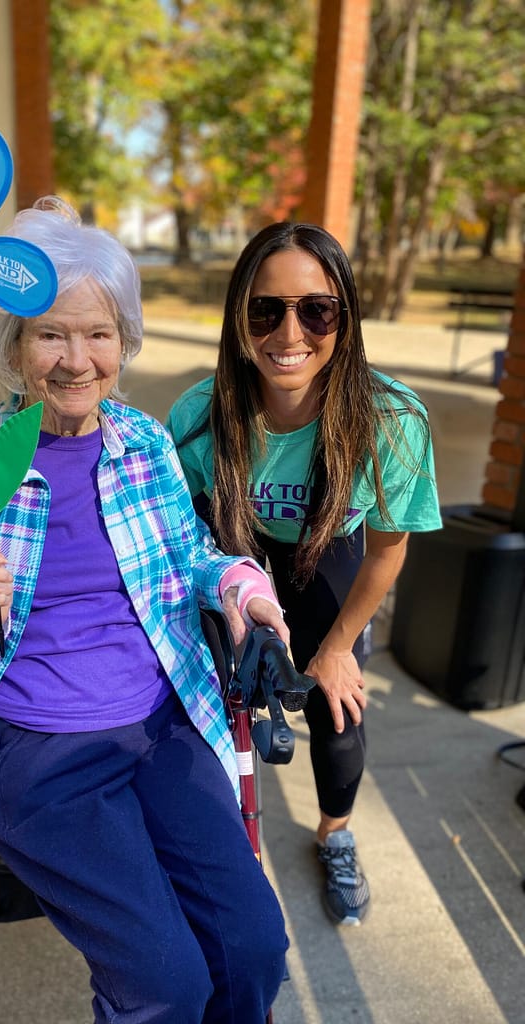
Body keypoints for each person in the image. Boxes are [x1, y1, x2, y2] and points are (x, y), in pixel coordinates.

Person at [0, 197, 289, 1023]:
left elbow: (189, 559)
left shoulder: (142, 442)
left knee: (253, 945)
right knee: (164, 984)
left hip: (161, 724)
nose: (78, 359)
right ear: (11, 346)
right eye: (50, 333)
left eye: (99, 333)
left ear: (124, 341)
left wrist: (243, 589)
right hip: (33, 753)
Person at [167, 221, 442, 927]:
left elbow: (387, 551)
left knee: (336, 707)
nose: (290, 331)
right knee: (215, 691)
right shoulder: (199, 416)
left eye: (315, 309)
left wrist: (338, 646)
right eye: (267, 309)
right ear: (238, 317)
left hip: (333, 554)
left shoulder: (391, 418)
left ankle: (336, 832)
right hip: (241, 549)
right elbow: (194, 538)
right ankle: (215, 835)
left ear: (344, 320)